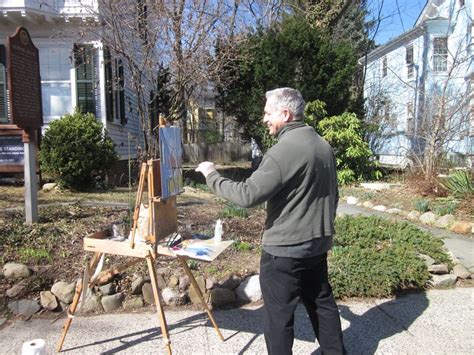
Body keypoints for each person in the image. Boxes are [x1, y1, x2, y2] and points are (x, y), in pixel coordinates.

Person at [195, 87, 345, 355]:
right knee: (321, 302)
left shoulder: (283, 152)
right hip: (317, 245)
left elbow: (247, 195)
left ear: (285, 113)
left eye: (268, 113)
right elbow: (334, 195)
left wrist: (211, 175)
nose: (264, 119)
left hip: (285, 252)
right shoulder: (323, 146)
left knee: (278, 317)